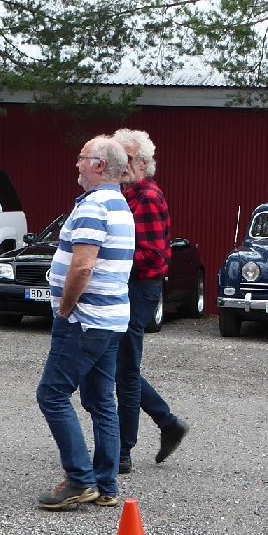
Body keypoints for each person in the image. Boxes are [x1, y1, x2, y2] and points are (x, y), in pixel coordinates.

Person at [35, 135, 134, 510]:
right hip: (110, 320)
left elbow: (83, 266)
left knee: (52, 394)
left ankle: (79, 479)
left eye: (81, 157)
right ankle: (106, 484)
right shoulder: (119, 204)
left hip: (85, 320)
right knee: (101, 400)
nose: (76, 164)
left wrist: (65, 307)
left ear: (98, 165)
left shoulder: (95, 206)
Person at [112, 128, 189, 474]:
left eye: (128, 158)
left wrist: (109, 257)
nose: (122, 163)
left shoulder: (148, 198)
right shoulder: (122, 195)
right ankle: (167, 422)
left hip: (140, 288)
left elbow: (154, 255)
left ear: (143, 163)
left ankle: (122, 451)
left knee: (125, 370)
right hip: (125, 286)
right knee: (119, 368)